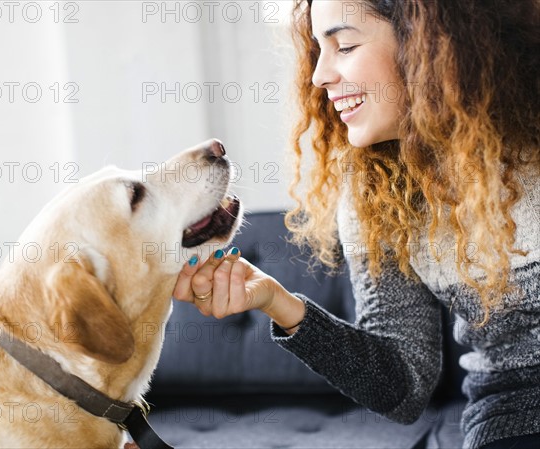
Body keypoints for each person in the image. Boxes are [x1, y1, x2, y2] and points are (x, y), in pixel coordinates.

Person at [172, 1, 540, 448]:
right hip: (516, 411)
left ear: (428, 42)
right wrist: (276, 300)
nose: (318, 75)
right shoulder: (376, 188)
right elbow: (402, 386)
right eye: (317, 50)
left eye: (344, 46)